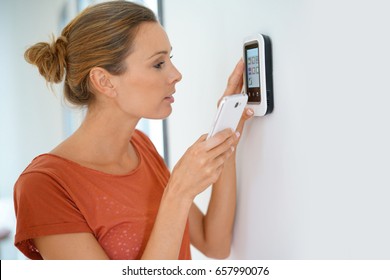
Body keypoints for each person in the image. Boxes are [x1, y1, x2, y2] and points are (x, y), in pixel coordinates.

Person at [13, 1, 253, 260]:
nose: (176, 74)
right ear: (104, 81)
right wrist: (178, 193)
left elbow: (214, 243)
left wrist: (226, 134)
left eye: (169, 59)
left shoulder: (141, 147)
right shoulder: (44, 187)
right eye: (158, 64)